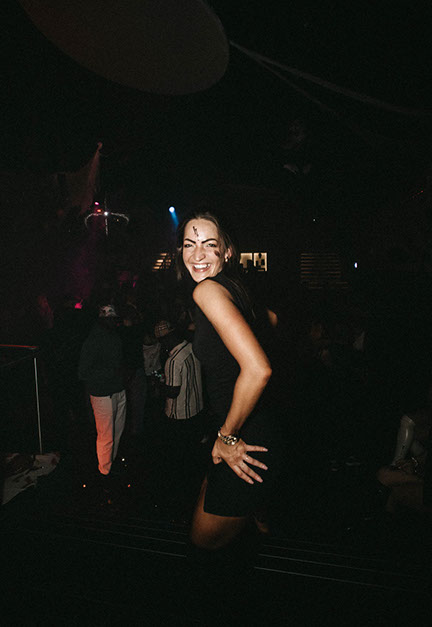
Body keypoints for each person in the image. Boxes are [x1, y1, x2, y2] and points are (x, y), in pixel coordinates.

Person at [175, 210, 283, 555]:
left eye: (209, 244)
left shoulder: (207, 291)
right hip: (252, 424)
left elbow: (259, 369)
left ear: (227, 251)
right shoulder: (235, 287)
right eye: (189, 244)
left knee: (203, 540)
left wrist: (227, 436)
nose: (197, 254)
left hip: (243, 438)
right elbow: (271, 320)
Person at [78, 304, 126, 485]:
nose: (114, 322)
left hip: (117, 389)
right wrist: (112, 372)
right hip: (102, 394)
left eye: (115, 319)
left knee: (117, 431)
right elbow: (83, 372)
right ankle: (104, 473)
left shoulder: (114, 336)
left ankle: (110, 464)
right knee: (106, 435)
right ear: (102, 320)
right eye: (110, 319)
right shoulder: (93, 340)